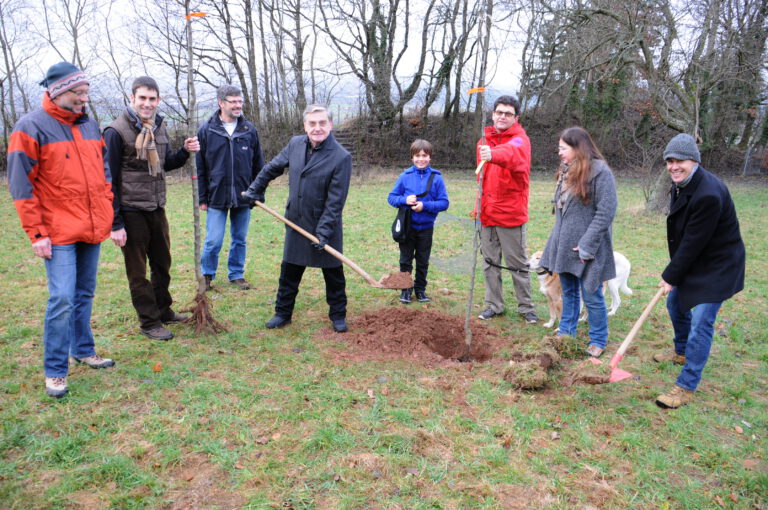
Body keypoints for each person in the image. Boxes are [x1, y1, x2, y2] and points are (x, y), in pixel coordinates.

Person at [7, 62, 116, 398]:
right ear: (58, 92)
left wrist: (108, 211)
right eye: (78, 93)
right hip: (57, 232)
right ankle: (55, 370)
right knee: (62, 298)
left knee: (84, 294)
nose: (84, 98)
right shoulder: (29, 128)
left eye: (86, 92)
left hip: (92, 225)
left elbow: (105, 172)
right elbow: (20, 186)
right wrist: (37, 234)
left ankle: (83, 349)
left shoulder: (90, 126)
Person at [104, 76, 200, 341]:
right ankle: (149, 322)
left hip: (157, 207)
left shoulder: (158, 126)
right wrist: (115, 222)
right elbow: (107, 178)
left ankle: (163, 309)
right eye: (142, 98)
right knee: (138, 272)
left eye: (152, 98)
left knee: (163, 263)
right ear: (132, 98)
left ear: (158, 100)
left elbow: (164, 164)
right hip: (131, 210)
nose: (147, 103)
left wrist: (184, 151)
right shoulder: (115, 131)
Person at [654, 133, 745, 409]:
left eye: (679, 160)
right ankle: (681, 352)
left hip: (718, 265)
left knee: (701, 321)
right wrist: (675, 275)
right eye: (669, 161)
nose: (673, 166)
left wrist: (671, 274)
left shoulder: (708, 194)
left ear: (694, 160)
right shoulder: (682, 184)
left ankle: (686, 384)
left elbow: (694, 241)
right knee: (674, 304)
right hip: (697, 259)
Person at [242, 104, 352, 333]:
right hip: (296, 220)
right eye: (312, 123)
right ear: (305, 126)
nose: (317, 128)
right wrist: (255, 189)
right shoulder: (295, 144)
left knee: (333, 273)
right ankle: (282, 313)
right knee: (289, 271)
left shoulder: (341, 157)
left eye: (322, 123)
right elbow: (272, 168)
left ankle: (338, 314)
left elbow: (335, 202)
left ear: (330, 125)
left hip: (325, 225)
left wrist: (323, 232)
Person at [539, 127, 618, 358]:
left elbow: (606, 212)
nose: (559, 153)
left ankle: (598, 339)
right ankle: (566, 331)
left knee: (592, 295)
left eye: (563, 148)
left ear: (577, 148)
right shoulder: (567, 171)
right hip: (565, 244)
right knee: (570, 292)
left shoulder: (601, 172)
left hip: (589, 248)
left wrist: (587, 244)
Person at [476, 95, 538, 323]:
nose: (502, 117)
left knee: (517, 264)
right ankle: (494, 304)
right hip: (487, 214)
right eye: (499, 112)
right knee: (489, 263)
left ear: (516, 117)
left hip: (511, 214)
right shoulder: (484, 141)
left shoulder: (520, 140)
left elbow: (513, 155)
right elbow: (481, 180)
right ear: (493, 114)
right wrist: (479, 210)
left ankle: (526, 307)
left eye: (508, 113)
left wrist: (493, 154)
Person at [197, 85, 265, 291]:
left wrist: (258, 193)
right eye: (233, 101)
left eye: (239, 101)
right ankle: (207, 276)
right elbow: (200, 168)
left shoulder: (249, 130)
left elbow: (258, 166)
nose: (238, 105)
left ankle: (236, 274)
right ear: (221, 103)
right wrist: (202, 197)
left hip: (244, 195)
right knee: (213, 241)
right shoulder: (207, 130)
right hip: (216, 195)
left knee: (240, 239)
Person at [388, 139, 450, 304]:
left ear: (430, 157)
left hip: (426, 228)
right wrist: (404, 200)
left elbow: (444, 203)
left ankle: (420, 290)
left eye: (424, 155)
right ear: (412, 157)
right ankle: (406, 290)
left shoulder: (436, 178)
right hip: (408, 228)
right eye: (417, 156)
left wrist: (425, 206)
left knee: (423, 261)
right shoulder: (404, 176)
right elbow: (391, 198)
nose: (421, 159)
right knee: (405, 260)